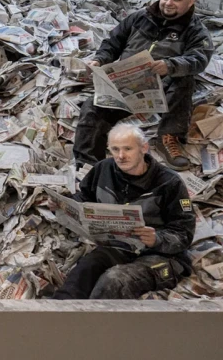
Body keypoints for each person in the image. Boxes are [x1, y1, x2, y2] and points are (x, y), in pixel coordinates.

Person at [72, 0, 213, 169]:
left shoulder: (196, 31)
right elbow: (113, 42)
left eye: (176, 0)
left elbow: (199, 59)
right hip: (127, 84)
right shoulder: (139, 18)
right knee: (91, 106)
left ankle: (169, 138)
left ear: (190, 3)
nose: (168, 3)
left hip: (165, 90)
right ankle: (88, 165)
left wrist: (170, 65)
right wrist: (100, 59)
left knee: (185, 79)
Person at [53, 123, 194, 299]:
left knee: (115, 280)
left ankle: (91, 325)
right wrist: (65, 205)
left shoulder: (170, 183)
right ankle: (57, 319)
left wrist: (156, 238)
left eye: (127, 149)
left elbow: (184, 234)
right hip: (119, 247)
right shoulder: (103, 169)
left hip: (162, 257)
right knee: (85, 269)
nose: (120, 156)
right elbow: (84, 198)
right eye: (115, 149)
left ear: (144, 148)